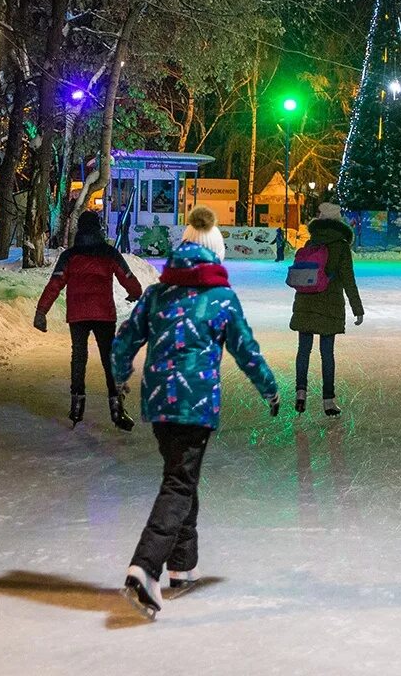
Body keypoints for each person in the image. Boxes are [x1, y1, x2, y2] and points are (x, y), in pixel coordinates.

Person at [112, 205, 279, 620]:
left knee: (181, 478)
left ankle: (182, 567)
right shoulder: (220, 298)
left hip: (159, 404)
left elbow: (125, 339)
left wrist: (119, 376)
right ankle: (145, 568)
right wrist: (270, 390)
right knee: (179, 483)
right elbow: (246, 351)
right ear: (216, 255)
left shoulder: (156, 294)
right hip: (196, 404)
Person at [33, 210, 141, 430]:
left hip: (78, 315)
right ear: (99, 229)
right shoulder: (108, 253)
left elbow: (55, 284)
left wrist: (41, 311)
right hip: (104, 315)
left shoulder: (69, 256)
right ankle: (117, 409)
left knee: (79, 357)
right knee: (108, 360)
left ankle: (77, 406)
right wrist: (135, 292)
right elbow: (126, 276)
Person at [289, 201, 364, 416]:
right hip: (329, 305)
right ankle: (328, 401)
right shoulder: (340, 246)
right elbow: (348, 280)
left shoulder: (311, 242)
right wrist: (357, 308)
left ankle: (300, 394)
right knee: (326, 353)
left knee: (303, 351)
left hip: (305, 302)